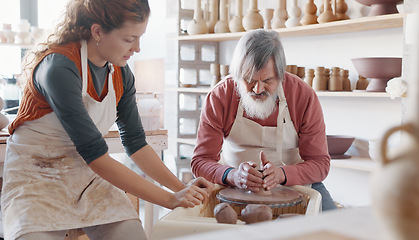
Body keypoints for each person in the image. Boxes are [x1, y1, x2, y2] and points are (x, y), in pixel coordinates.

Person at [1, 1, 213, 239]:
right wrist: (168, 199)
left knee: (131, 234)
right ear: (98, 31)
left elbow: (136, 144)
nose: (138, 49)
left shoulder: (120, 73)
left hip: (84, 176)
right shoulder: (59, 67)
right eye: (129, 39)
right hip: (35, 177)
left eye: (140, 37)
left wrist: (181, 189)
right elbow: (95, 154)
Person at [191, 29, 336, 211]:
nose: (258, 89)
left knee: (333, 227)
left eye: (267, 80)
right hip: (232, 183)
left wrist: (281, 174)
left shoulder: (303, 96)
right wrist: (233, 175)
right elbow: (200, 162)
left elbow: (320, 164)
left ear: (281, 76)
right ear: (236, 74)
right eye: (249, 80)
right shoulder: (220, 95)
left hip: (294, 181)